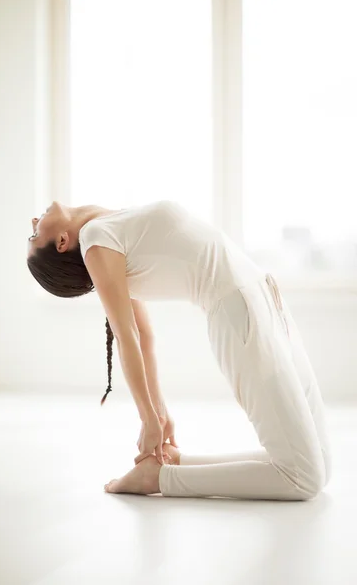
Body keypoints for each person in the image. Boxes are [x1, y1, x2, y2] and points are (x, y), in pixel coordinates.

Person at [27, 199, 332, 500]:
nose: (33, 223)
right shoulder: (96, 240)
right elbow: (128, 336)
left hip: (264, 296)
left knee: (320, 464)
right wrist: (148, 418)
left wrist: (160, 412)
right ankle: (162, 478)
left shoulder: (108, 227)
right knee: (304, 479)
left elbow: (145, 336)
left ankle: (173, 464)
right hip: (239, 311)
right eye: (34, 235)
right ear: (62, 242)